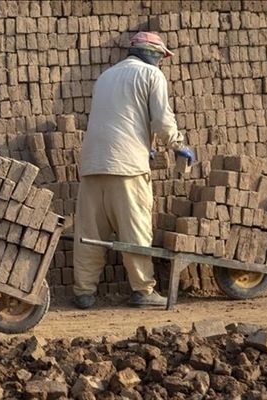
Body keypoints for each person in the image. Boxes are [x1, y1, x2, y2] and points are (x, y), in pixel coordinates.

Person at [73, 32, 195, 309]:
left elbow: (120, 117)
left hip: (92, 164)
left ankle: (84, 292)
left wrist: (146, 144)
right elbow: (162, 119)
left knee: (90, 233)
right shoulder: (152, 76)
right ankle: (143, 290)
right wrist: (178, 145)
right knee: (135, 231)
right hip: (127, 167)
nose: (162, 63)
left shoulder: (105, 77)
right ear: (153, 53)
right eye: (162, 58)